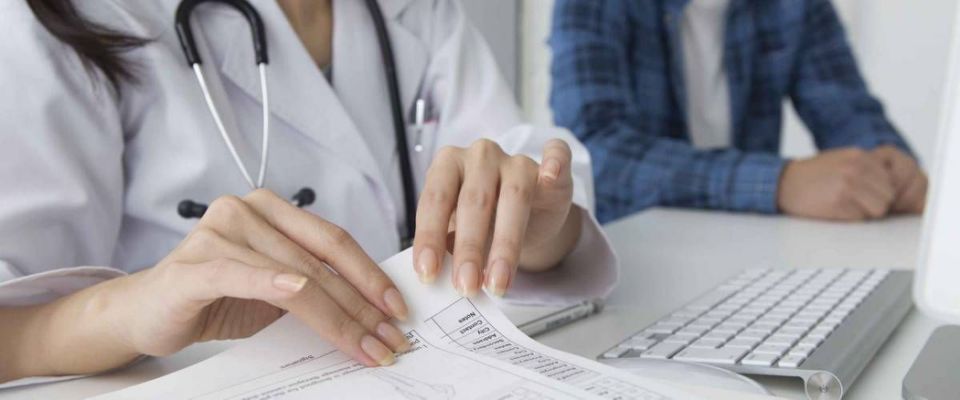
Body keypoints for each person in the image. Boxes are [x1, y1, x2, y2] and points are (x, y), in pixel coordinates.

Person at [0, 0, 616, 386]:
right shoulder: (59, 17)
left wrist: (538, 228)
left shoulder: (417, 11)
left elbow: (527, 178)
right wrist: (134, 308)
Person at [549, 0, 928, 224]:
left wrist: (888, 163)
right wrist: (778, 183)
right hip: (629, 263)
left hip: (749, 252)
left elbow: (848, 113)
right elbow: (593, 152)